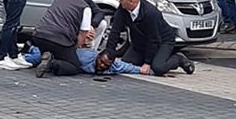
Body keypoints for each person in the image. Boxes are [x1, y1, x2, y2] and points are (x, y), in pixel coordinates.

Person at [102, 0, 195, 76]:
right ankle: (151, 57)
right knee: (127, 64)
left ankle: (178, 59)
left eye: (122, 0)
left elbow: (154, 39)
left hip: (162, 40)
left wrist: (148, 62)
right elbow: (115, 31)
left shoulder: (151, 13)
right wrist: (109, 54)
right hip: (140, 42)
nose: (120, 2)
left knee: (158, 68)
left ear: (131, 1)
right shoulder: (122, 8)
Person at [33, 0, 94, 78]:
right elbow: (83, 33)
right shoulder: (84, 7)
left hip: (39, 35)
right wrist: (75, 48)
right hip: (60, 39)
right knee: (73, 66)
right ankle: (52, 63)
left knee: (52, 49)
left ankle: (47, 57)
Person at [23, 45, 151, 76]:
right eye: (101, 61)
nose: (102, 66)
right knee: (35, 58)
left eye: (106, 65)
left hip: (73, 66)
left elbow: (131, 68)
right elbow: (66, 53)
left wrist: (150, 72)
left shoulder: (115, 66)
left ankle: (51, 65)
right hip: (64, 55)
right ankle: (31, 48)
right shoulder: (85, 55)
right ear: (98, 56)